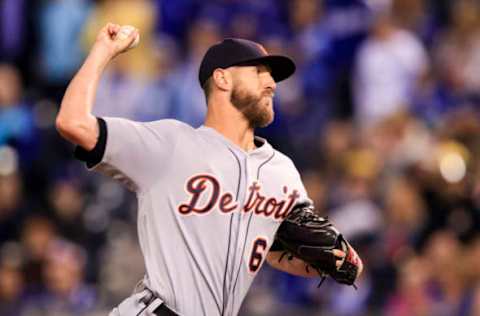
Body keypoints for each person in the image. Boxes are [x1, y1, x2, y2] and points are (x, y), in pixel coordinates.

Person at [56, 23, 363, 316]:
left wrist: (329, 260)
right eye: (258, 72)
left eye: (271, 76)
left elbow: (275, 253)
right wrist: (102, 52)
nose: (271, 83)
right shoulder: (170, 145)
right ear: (222, 79)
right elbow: (73, 123)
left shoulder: (282, 172)